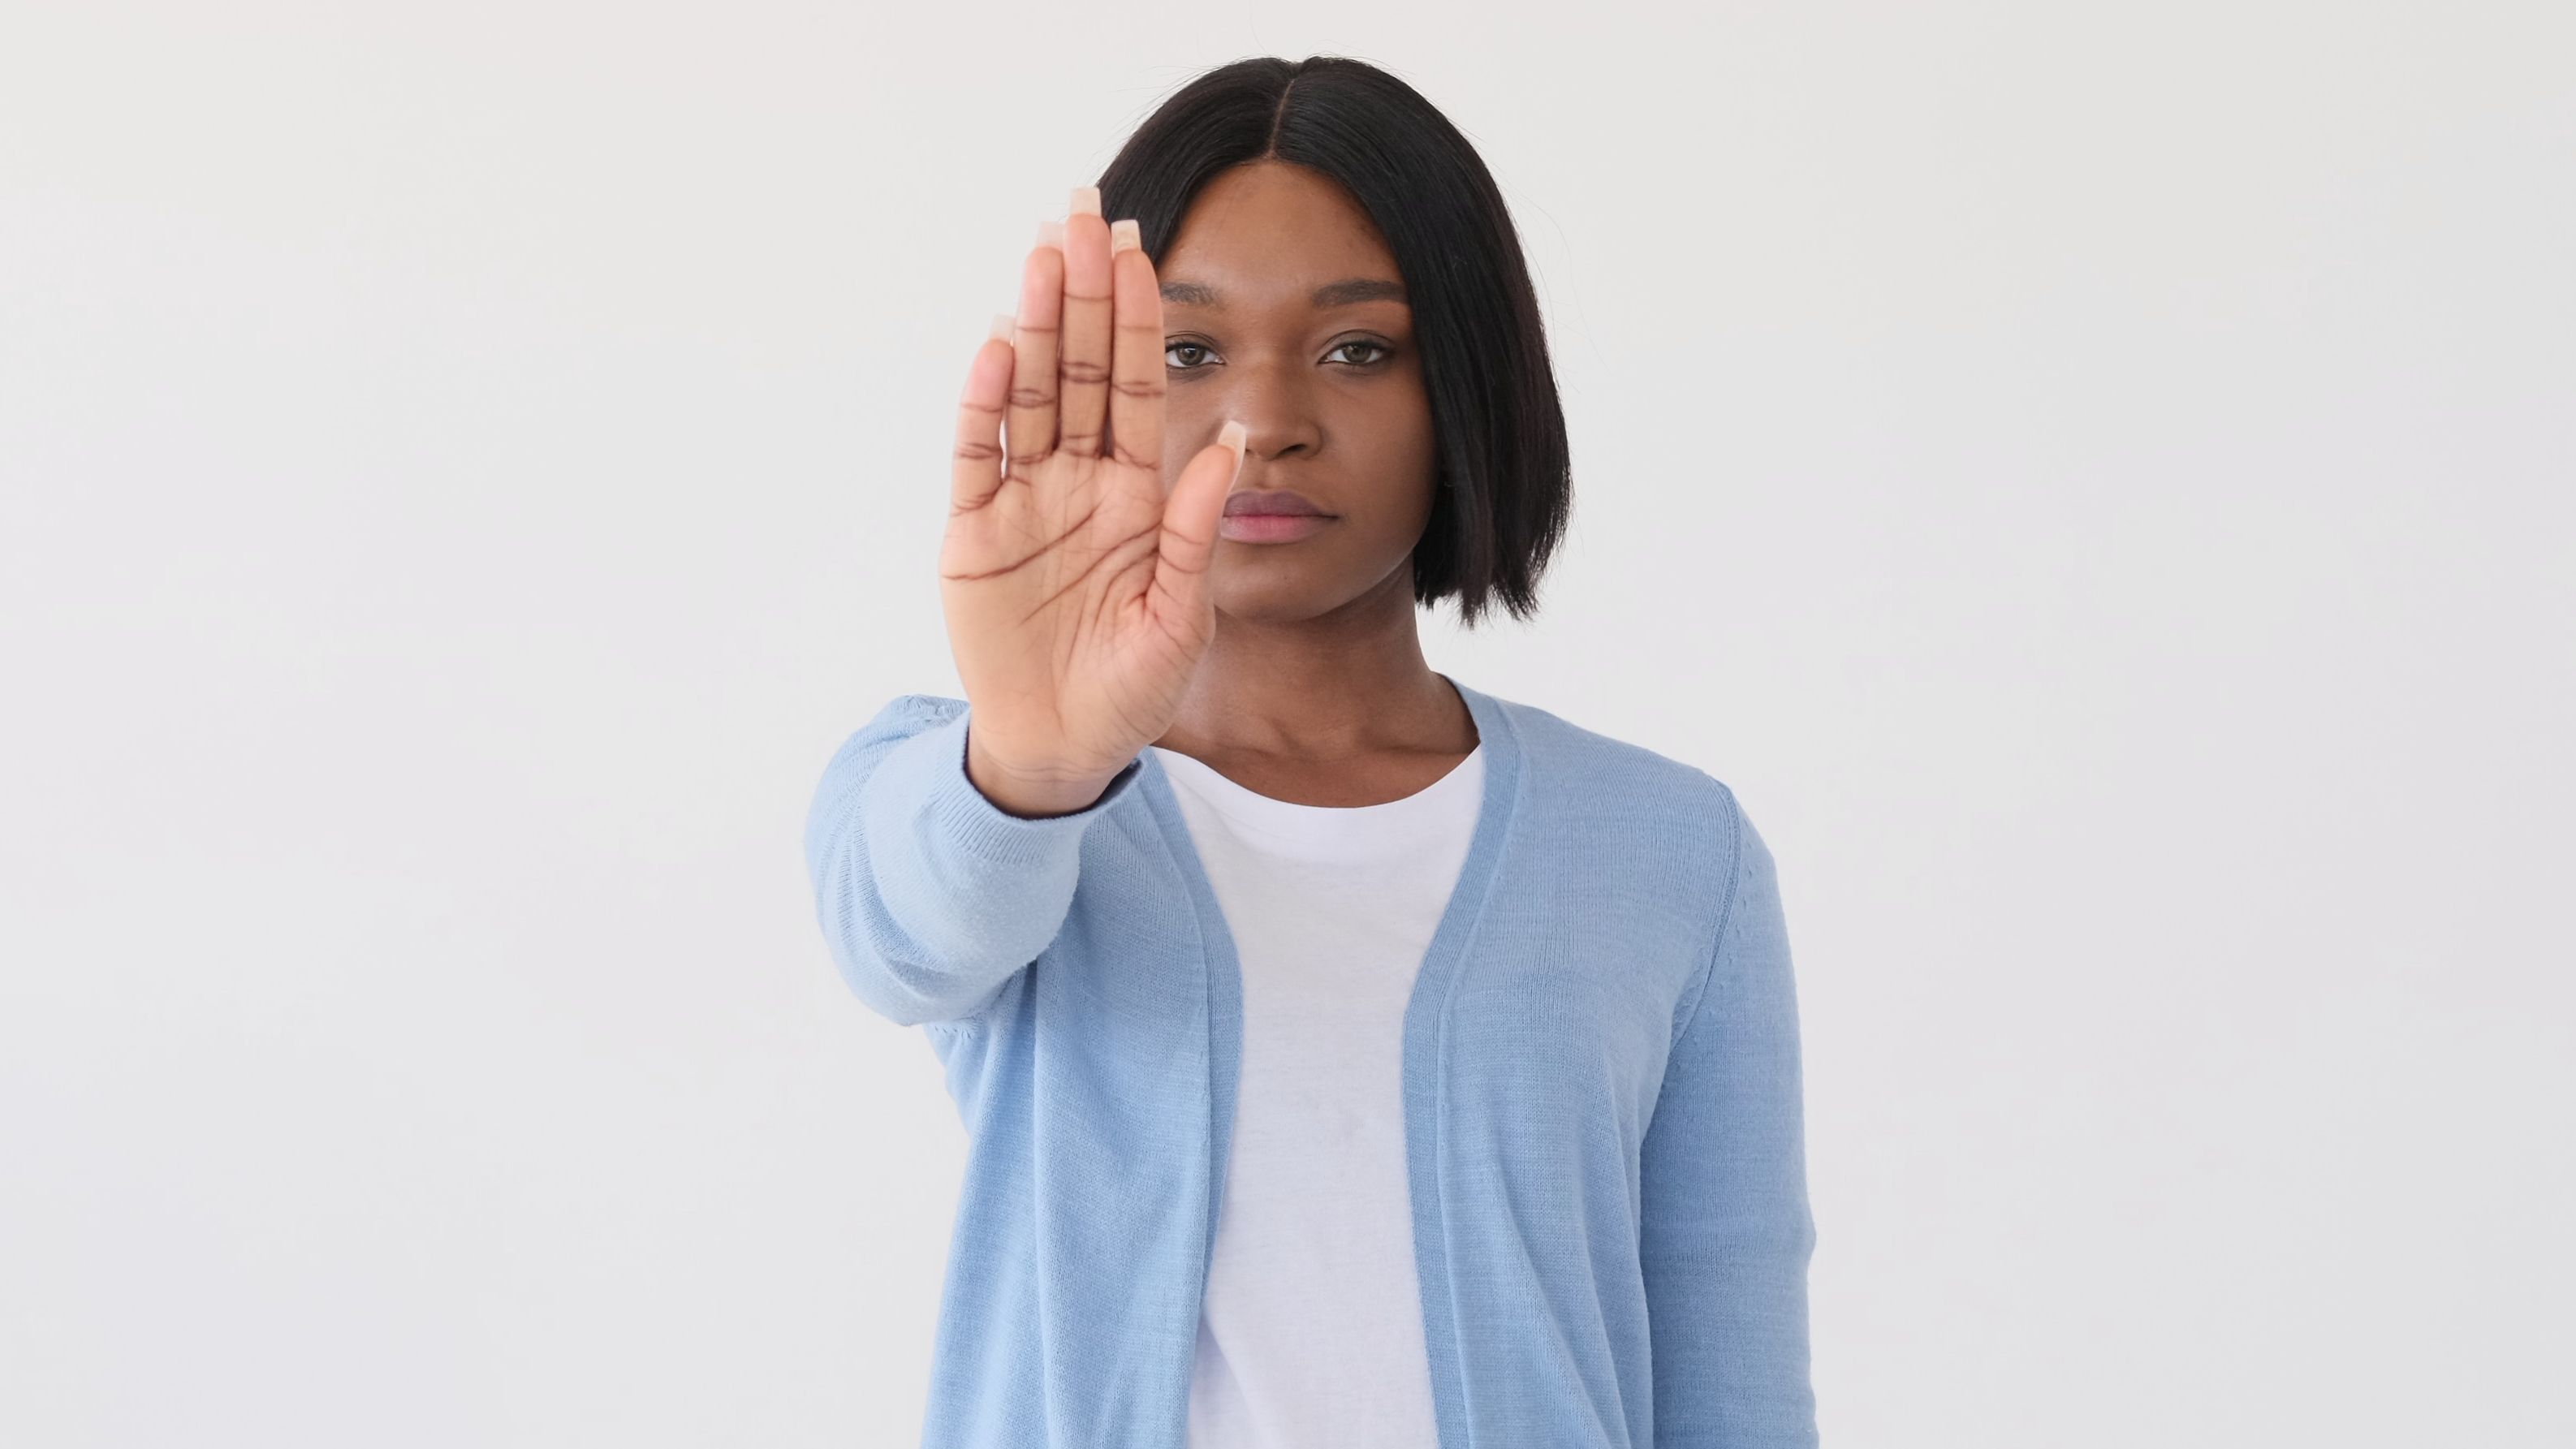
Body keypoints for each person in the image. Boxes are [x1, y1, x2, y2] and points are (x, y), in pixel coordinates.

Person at [805, 54, 1818, 1449]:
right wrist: (1034, 760)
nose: (1264, 421)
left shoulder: (1672, 853)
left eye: (1357, 349)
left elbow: (1732, 1376)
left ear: (1463, 380)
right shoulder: (985, 790)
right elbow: (905, 939)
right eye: (1188, 352)